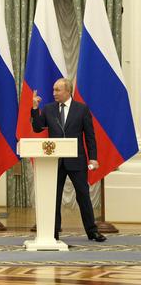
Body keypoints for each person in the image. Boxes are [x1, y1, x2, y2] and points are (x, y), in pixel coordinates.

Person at [31, 78, 106, 242]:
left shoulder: (82, 109)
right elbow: (37, 128)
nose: (54, 93)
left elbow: (90, 136)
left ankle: (92, 231)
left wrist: (93, 158)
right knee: (54, 197)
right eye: (53, 90)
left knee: (83, 196)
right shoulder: (49, 109)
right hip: (55, 161)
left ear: (68, 91)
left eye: (57, 90)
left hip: (76, 160)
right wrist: (35, 108)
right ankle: (53, 232)